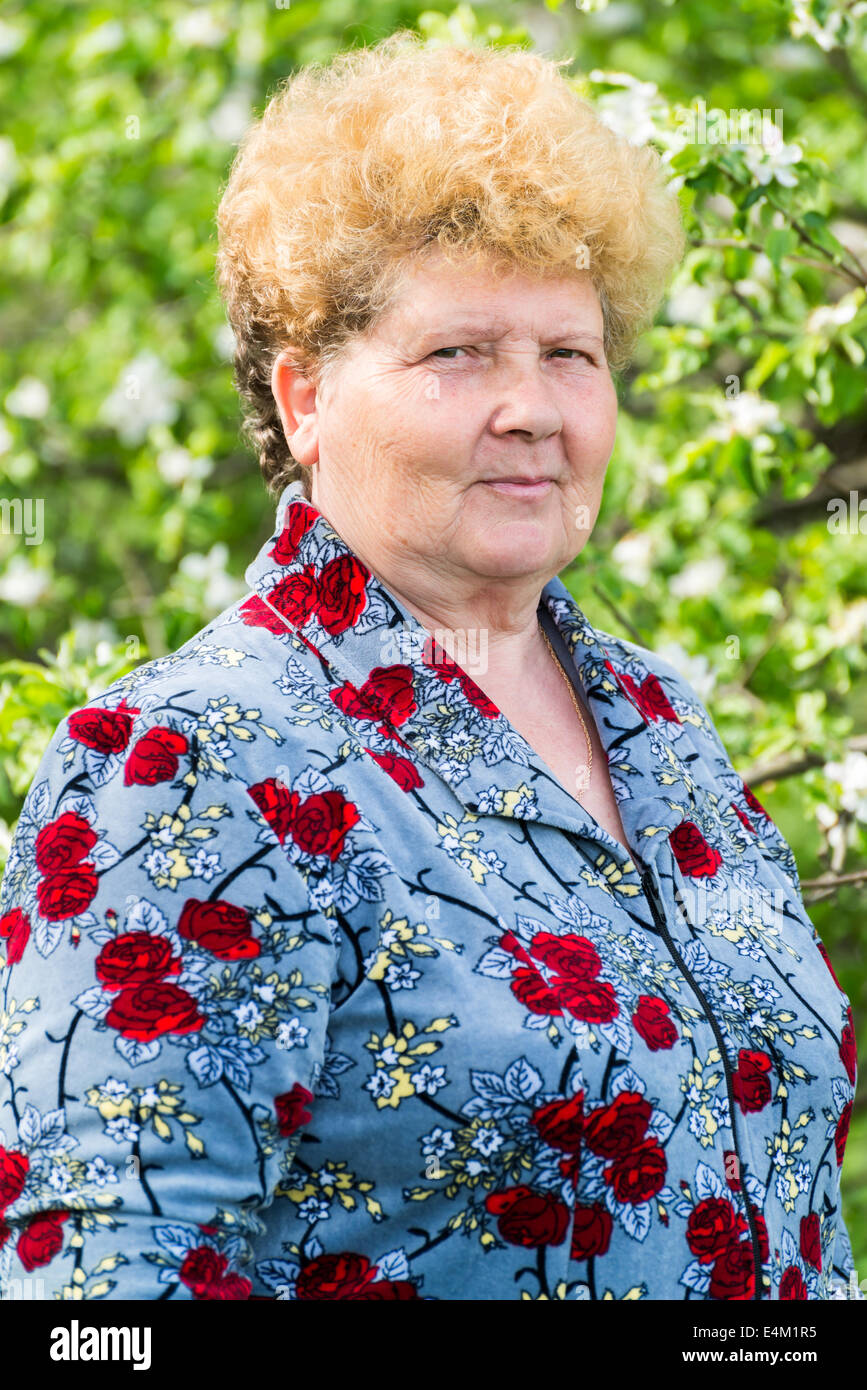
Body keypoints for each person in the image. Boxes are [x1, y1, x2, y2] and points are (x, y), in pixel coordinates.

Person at [0, 32, 859, 1301]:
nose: (533, 408)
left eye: (570, 354)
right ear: (303, 400)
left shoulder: (662, 721)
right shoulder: (192, 762)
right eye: (458, 352)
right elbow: (90, 1307)